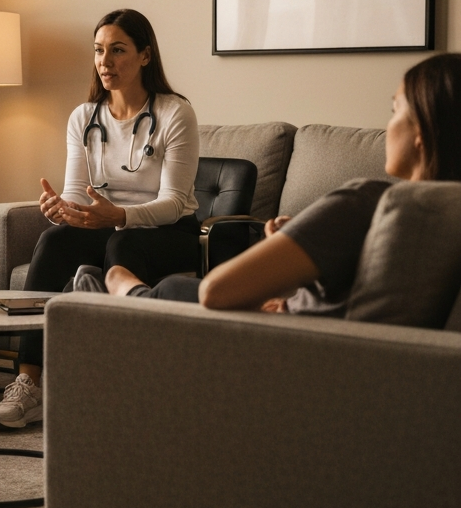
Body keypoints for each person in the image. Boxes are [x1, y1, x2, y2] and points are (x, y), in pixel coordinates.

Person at [103, 52, 461, 313]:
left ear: (422, 131)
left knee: (167, 286)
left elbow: (215, 292)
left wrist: (274, 300)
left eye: (395, 110)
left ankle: (128, 296)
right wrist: (303, 247)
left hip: (281, 340)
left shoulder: (362, 202)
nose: (388, 125)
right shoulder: (442, 218)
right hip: (335, 345)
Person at [0, 8, 200, 430]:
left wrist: (118, 215)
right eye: (99, 51)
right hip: (105, 227)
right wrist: (61, 210)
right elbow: (75, 194)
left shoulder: (175, 113)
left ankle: (112, 381)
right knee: (54, 241)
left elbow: (175, 202)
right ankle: (28, 384)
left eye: (118, 50)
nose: (105, 61)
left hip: (170, 232)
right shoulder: (84, 117)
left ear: (145, 56)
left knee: (123, 241)